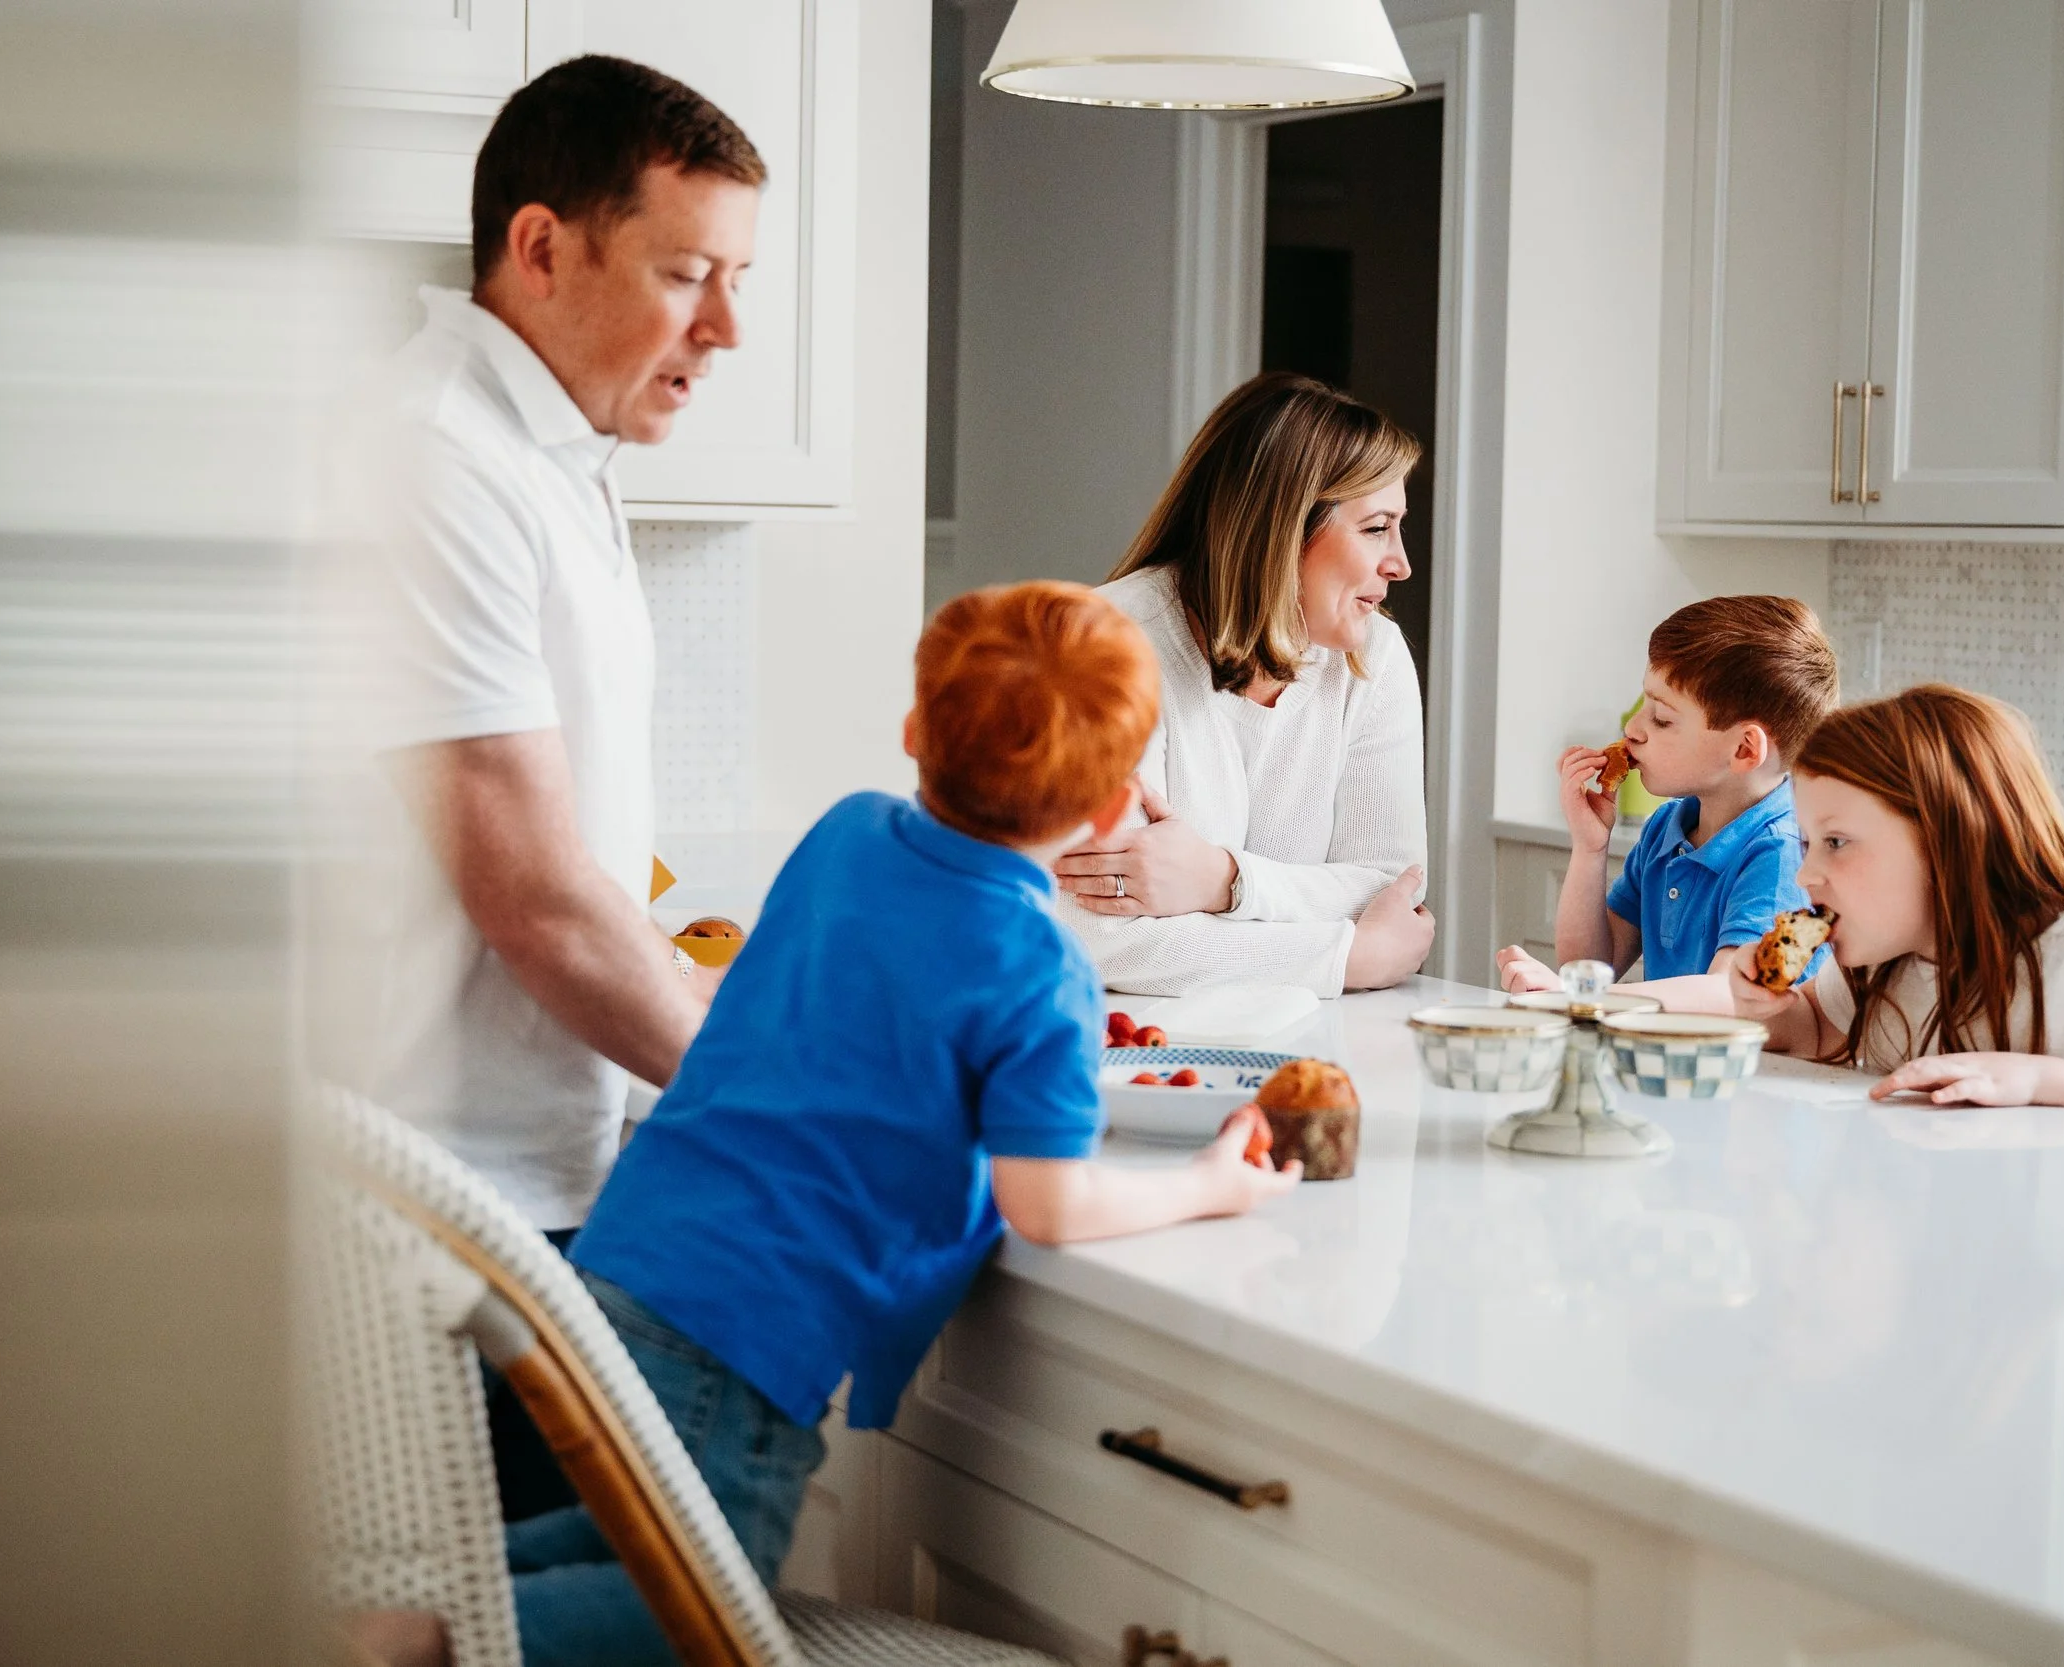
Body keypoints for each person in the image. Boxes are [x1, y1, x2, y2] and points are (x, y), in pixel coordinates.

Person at [509, 582, 1299, 1664]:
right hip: (741, 1337)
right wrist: (1210, 1184)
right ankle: (410, 1639)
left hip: (620, 1258)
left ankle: (442, 1607)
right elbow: (1048, 1199)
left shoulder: (846, 833)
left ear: (915, 731)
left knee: (602, 1539)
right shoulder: (1037, 969)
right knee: (693, 1613)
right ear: (1114, 808)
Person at [348, 55, 763, 1232]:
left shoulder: (555, 454)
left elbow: (578, 862)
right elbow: (534, 898)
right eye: (686, 275)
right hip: (438, 1198)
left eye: (737, 279)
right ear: (540, 248)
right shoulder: (433, 457)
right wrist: (792, 1100)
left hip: (526, 1174)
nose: (726, 327)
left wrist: (736, 997)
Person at [1666, 685, 2064, 1144]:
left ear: (1945, 839)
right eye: (1804, 844)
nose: (1805, 875)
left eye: (1837, 842)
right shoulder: (1890, 959)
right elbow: (1819, 1032)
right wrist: (1762, 1009)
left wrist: (2046, 1082)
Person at [1055, 372, 1436, 996]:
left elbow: (1391, 888)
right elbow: (1092, 936)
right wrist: (1346, 960)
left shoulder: (1376, 656)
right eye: (1375, 528)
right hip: (1125, 1049)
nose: (1400, 563)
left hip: (1316, 1033)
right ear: (1284, 529)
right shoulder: (1104, 646)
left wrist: (1223, 880)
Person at [1497, 595, 1837, 992]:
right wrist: (1589, 847)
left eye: (1662, 719)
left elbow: (1728, 998)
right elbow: (1587, 966)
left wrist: (1586, 997)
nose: (1634, 730)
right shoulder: (1667, 829)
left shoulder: (1785, 855)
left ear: (1744, 749)